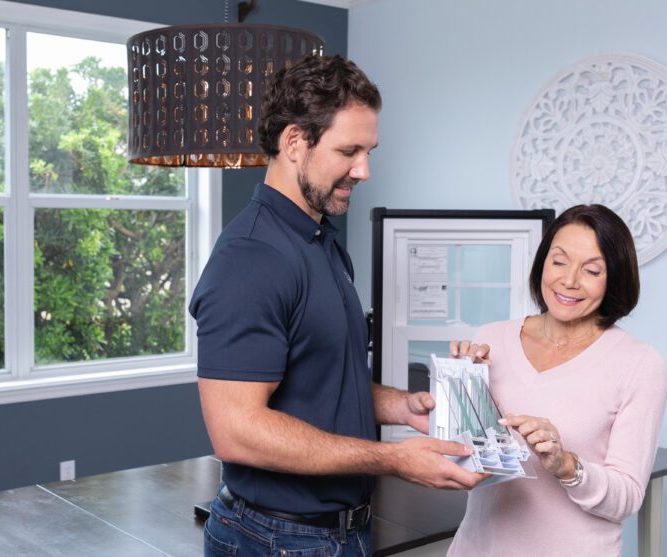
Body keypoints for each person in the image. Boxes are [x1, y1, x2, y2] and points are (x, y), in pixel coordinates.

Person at [189, 54, 485, 557]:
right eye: (349, 150)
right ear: (294, 143)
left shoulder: (319, 240)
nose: (364, 170)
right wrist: (392, 460)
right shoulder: (252, 259)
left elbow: (320, 378)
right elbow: (237, 432)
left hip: (336, 533)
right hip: (276, 538)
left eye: (369, 151)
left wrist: (399, 406)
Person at [448, 204, 667, 556]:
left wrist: (566, 465)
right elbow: (466, 461)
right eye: (559, 261)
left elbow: (626, 498)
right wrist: (460, 388)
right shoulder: (490, 339)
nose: (569, 280)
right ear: (542, 263)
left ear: (615, 277)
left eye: (591, 270)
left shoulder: (640, 364)